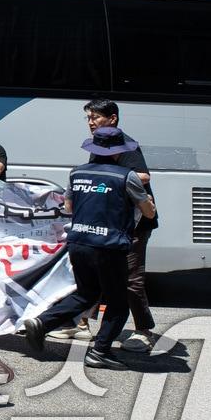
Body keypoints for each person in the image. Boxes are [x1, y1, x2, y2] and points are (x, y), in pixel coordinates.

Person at [22, 127, 157, 370]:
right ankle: (100, 351)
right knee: (117, 303)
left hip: (79, 243)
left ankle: (41, 323)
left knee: (86, 294)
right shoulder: (127, 176)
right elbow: (147, 211)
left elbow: (69, 207)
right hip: (109, 246)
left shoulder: (77, 172)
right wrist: (149, 206)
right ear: (118, 152)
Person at [49, 99, 159, 351]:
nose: (91, 122)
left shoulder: (124, 143)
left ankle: (143, 330)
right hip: (106, 224)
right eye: (88, 118)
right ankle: (82, 324)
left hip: (132, 225)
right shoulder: (100, 144)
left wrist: (112, 177)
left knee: (131, 279)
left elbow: (143, 175)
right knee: (94, 272)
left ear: (113, 119)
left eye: (96, 117)